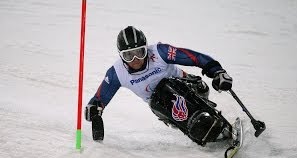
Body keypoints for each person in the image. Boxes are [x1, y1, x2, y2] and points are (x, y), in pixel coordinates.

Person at [85, 26, 233, 144]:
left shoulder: (160, 52)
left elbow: (194, 57)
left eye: (140, 52)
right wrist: (94, 110)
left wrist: (217, 71)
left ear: (146, 48)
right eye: (128, 55)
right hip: (162, 104)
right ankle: (203, 129)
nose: (135, 59)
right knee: (166, 91)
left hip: (188, 86)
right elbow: (99, 99)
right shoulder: (117, 73)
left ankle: (214, 122)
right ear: (121, 56)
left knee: (174, 86)